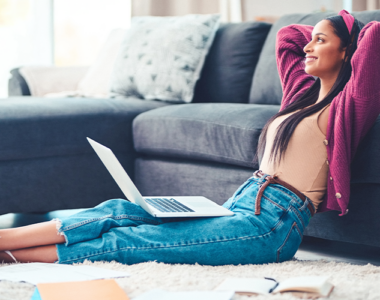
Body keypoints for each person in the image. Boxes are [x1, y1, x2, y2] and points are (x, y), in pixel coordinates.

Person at [0, 10, 379, 265]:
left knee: (134, 241)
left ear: (348, 53)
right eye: (311, 40)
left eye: (321, 41)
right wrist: (327, 33)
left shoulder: (348, 106)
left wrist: (350, 26)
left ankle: (12, 259)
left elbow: (374, 37)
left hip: (270, 228)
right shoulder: (300, 96)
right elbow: (286, 39)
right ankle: (4, 240)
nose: (308, 47)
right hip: (239, 204)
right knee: (122, 210)